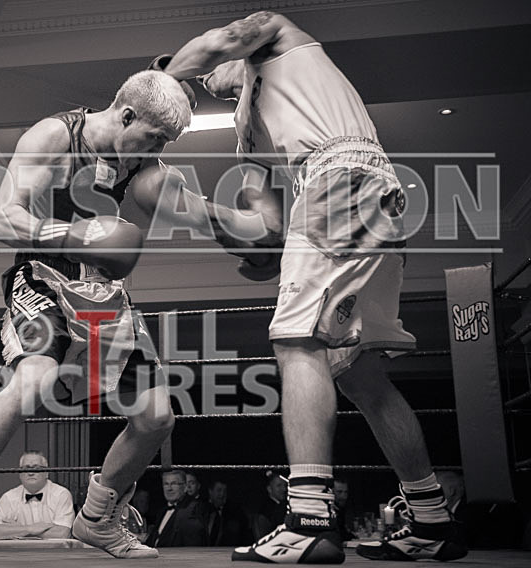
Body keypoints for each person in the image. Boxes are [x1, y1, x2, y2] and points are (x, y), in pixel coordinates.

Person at [149, 10, 467, 563]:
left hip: (338, 181)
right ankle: (433, 518)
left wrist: (161, 80)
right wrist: (203, 218)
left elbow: (218, 41)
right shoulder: (247, 125)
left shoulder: (276, 36)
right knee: (362, 374)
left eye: (213, 71)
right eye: (205, 81)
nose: (211, 77)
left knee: (297, 343)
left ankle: (309, 520)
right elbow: (268, 237)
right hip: (374, 201)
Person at [0, 70, 193, 563]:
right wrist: (78, 237)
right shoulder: (56, 135)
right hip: (42, 276)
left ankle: (98, 520)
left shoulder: (140, 159)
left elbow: (144, 229)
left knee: (156, 416)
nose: (159, 147)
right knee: (33, 382)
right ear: (125, 115)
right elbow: (1, 218)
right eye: (157, 135)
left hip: (100, 290)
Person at [0, 452, 74, 540]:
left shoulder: (61, 494)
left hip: (54, 553)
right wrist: (29, 529)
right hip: (18, 552)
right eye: (26, 468)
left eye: (36, 468)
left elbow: (62, 533)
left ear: (47, 472)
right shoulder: (8, 497)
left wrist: (18, 530)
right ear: (20, 473)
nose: (31, 473)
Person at [146, 470, 205, 547]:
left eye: (174, 484)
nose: (169, 488)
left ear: (185, 487)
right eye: (166, 484)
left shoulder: (192, 509)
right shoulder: (162, 512)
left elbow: (192, 546)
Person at [205, 480, 252, 547]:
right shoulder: (201, 509)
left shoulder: (236, 512)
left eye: (225, 491)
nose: (222, 494)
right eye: (219, 490)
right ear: (210, 491)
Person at [253, 471, 287, 540]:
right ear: (269, 489)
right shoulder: (266, 511)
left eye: (285, 485)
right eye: (279, 485)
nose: (284, 489)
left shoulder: (285, 506)